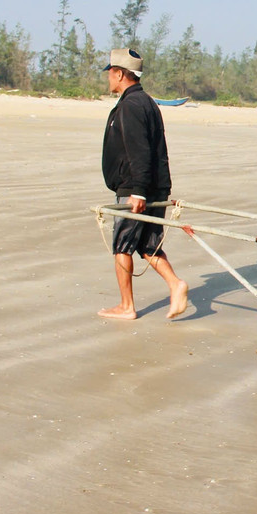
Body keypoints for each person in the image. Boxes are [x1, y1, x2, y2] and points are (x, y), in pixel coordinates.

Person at [98, 48, 189, 320]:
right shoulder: (146, 102)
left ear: (120, 74)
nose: (108, 79)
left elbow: (139, 150)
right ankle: (176, 284)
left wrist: (137, 190)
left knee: (122, 244)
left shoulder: (131, 105)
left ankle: (126, 306)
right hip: (153, 185)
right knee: (147, 244)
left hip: (136, 187)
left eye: (111, 73)